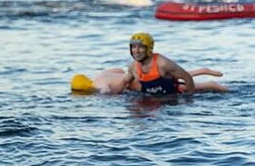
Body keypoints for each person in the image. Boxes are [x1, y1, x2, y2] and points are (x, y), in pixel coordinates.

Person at [120, 33, 196, 96]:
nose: (136, 51)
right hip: (148, 101)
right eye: (134, 47)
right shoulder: (133, 67)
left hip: (169, 102)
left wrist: (189, 99)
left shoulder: (163, 64)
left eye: (141, 47)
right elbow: (125, 82)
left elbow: (187, 77)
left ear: (149, 49)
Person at [71, 66, 228, 95]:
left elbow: (105, 91)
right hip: (141, 75)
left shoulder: (98, 85)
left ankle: (211, 85)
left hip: (144, 84)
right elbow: (119, 70)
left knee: (179, 87)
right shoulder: (101, 75)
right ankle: (202, 70)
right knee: (176, 76)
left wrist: (101, 95)